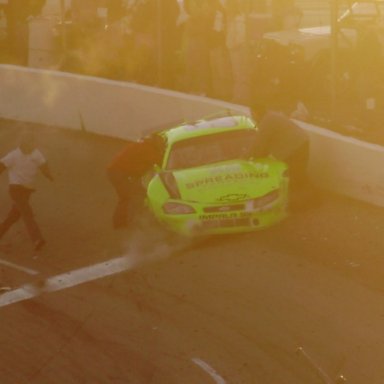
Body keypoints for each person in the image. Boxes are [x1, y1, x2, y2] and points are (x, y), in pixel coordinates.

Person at [251, 101, 318, 211]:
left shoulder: (266, 122)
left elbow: (258, 147)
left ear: (255, 112)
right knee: (300, 174)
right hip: (301, 142)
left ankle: (308, 203)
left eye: (252, 114)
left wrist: (244, 157)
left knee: (296, 176)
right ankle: (313, 200)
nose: (252, 117)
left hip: (295, 147)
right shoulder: (271, 116)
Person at [0, 129, 54, 251]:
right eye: (28, 141)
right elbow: (1, 166)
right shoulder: (13, 155)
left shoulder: (36, 154)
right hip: (15, 188)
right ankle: (37, 239)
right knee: (27, 213)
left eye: (32, 141)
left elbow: (43, 166)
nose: (31, 144)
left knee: (14, 215)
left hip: (27, 190)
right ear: (23, 142)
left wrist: (50, 176)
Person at [107, 134, 163, 229]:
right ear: (156, 143)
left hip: (118, 172)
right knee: (127, 197)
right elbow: (160, 162)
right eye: (161, 145)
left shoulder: (142, 144)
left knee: (138, 193)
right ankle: (119, 223)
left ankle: (138, 218)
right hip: (120, 173)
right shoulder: (149, 149)